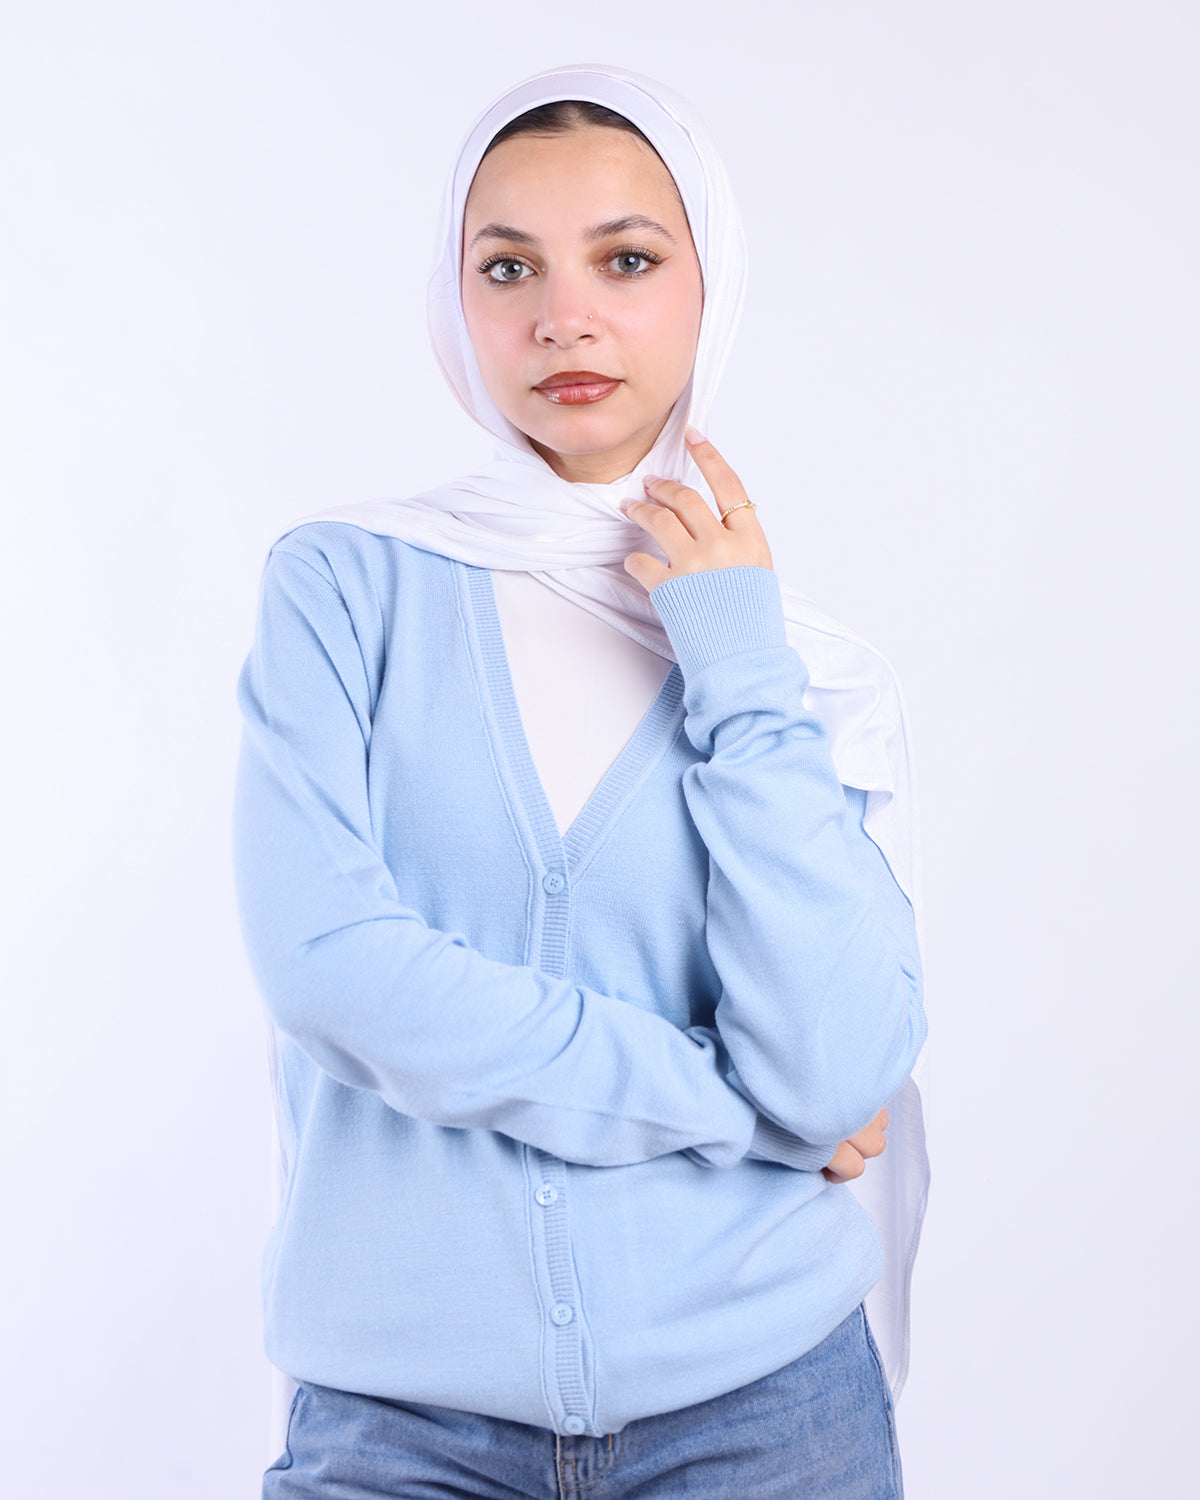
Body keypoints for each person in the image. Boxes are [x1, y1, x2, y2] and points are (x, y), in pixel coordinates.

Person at [235, 62, 929, 1500]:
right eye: (509, 267)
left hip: (765, 1417)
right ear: (457, 298)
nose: (566, 316)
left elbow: (840, 1068)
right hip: (399, 1429)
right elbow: (333, 971)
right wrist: (732, 1107)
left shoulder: (792, 662)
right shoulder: (345, 588)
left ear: (707, 283)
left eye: (626, 258)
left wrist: (738, 666)